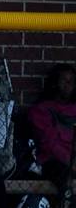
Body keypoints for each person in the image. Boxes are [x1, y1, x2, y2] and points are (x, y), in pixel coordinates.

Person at [27, 63, 76, 192]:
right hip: (54, 162)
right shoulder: (41, 110)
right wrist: (71, 163)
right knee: (62, 173)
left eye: (71, 82)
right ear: (54, 82)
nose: (68, 85)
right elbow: (50, 144)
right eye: (64, 80)